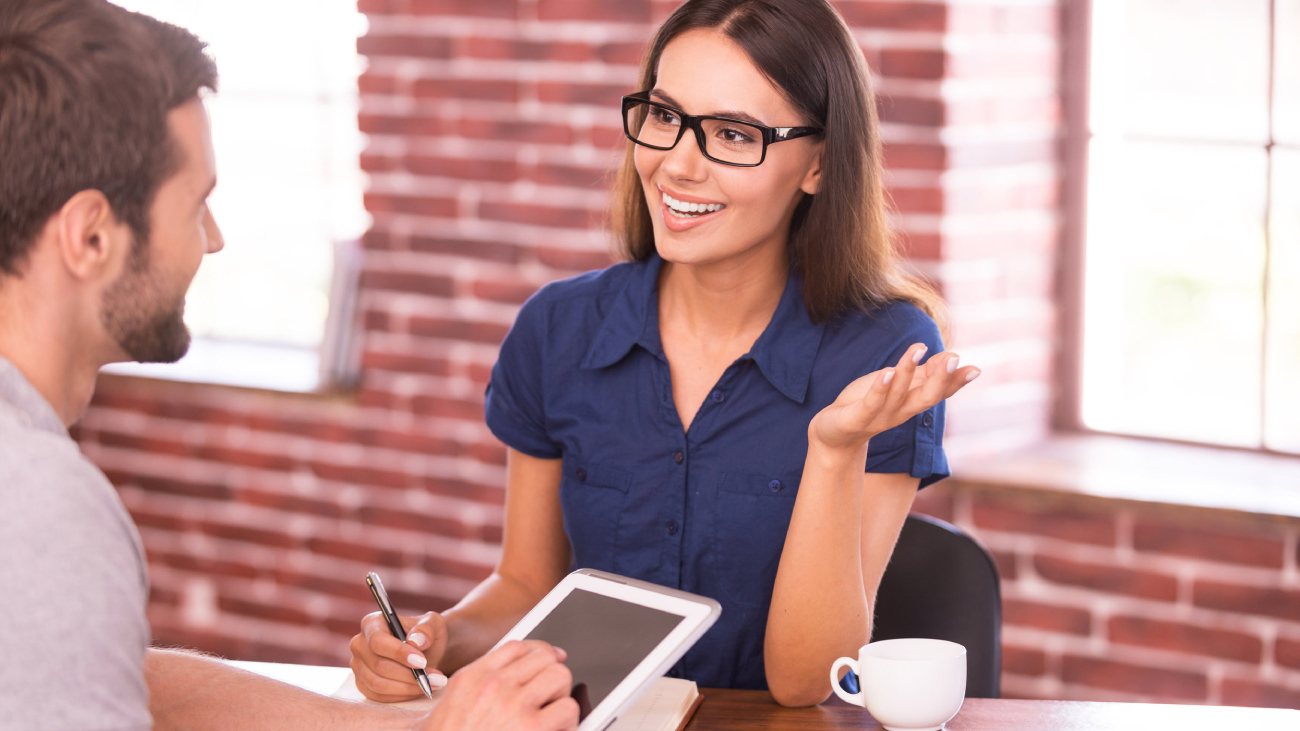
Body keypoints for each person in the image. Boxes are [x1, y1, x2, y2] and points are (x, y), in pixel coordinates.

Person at [351, 0, 982, 709]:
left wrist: (833, 449)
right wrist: (437, 637)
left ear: (820, 165)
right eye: (663, 116)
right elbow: (528, 586)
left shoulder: (886, 351)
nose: (676, 164)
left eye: (734, 134)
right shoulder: (558, 328)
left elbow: (806, 678)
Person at [0, 2, 579, 730]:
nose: (212, 240)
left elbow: (113, 670)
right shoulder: (40, 503)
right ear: (89, 236)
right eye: (195, 205)